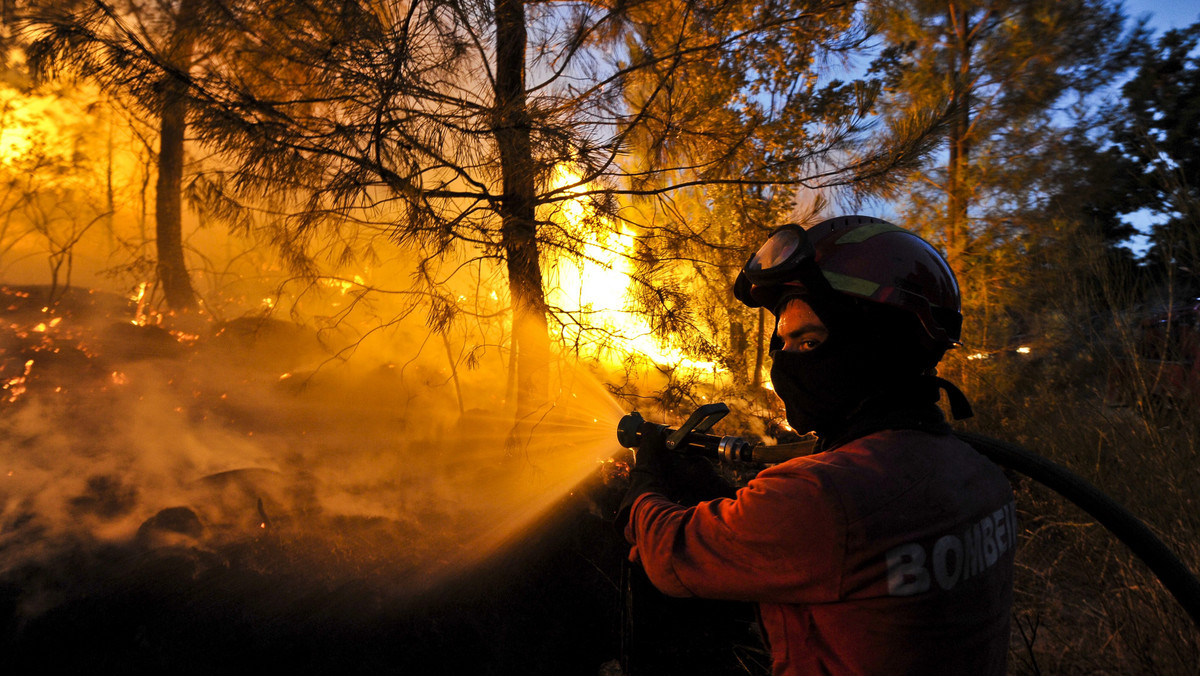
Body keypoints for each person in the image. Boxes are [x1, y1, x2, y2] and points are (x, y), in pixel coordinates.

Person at [618, 215, 1015, 675]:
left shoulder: (821, 495)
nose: (786, 363)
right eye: (782, 344)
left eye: (809, 342)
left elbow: (670, 552)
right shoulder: (981, 475)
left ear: (880, 346)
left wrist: (645, 485)